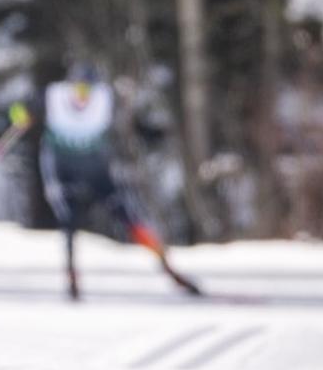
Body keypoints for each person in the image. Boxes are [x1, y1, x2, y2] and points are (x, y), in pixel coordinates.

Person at [19, 63, 202, 300]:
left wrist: (152, 133)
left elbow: (130, 124)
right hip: (62, 171)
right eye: (79, 89)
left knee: (131, 217)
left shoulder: (105, 99)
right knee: (69, 223)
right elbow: (22, 108)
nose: (82, 95)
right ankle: (72, 278)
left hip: (97, 172)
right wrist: (21, 114)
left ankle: (168, 267)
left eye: (88, 90)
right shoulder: (53, 96)